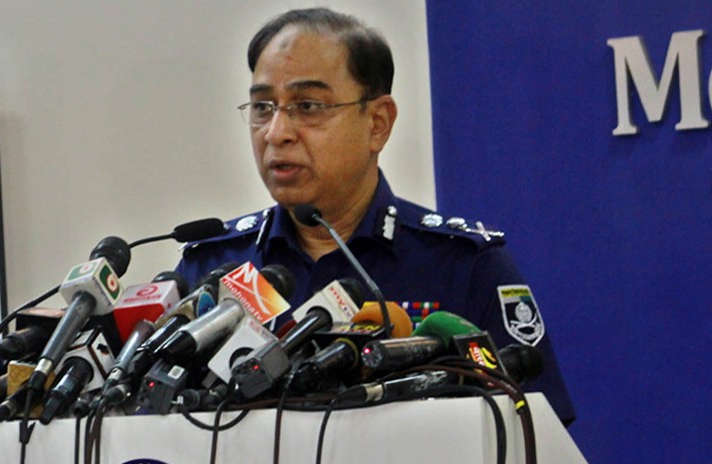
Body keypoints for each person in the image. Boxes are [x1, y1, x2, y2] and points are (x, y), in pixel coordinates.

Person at [176, 8, 575, 424]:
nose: (276, 133)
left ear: (378, 124)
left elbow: (534, 433)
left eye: (308, 106)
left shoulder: (464, 266)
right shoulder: (211, 268)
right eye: (262, 107)